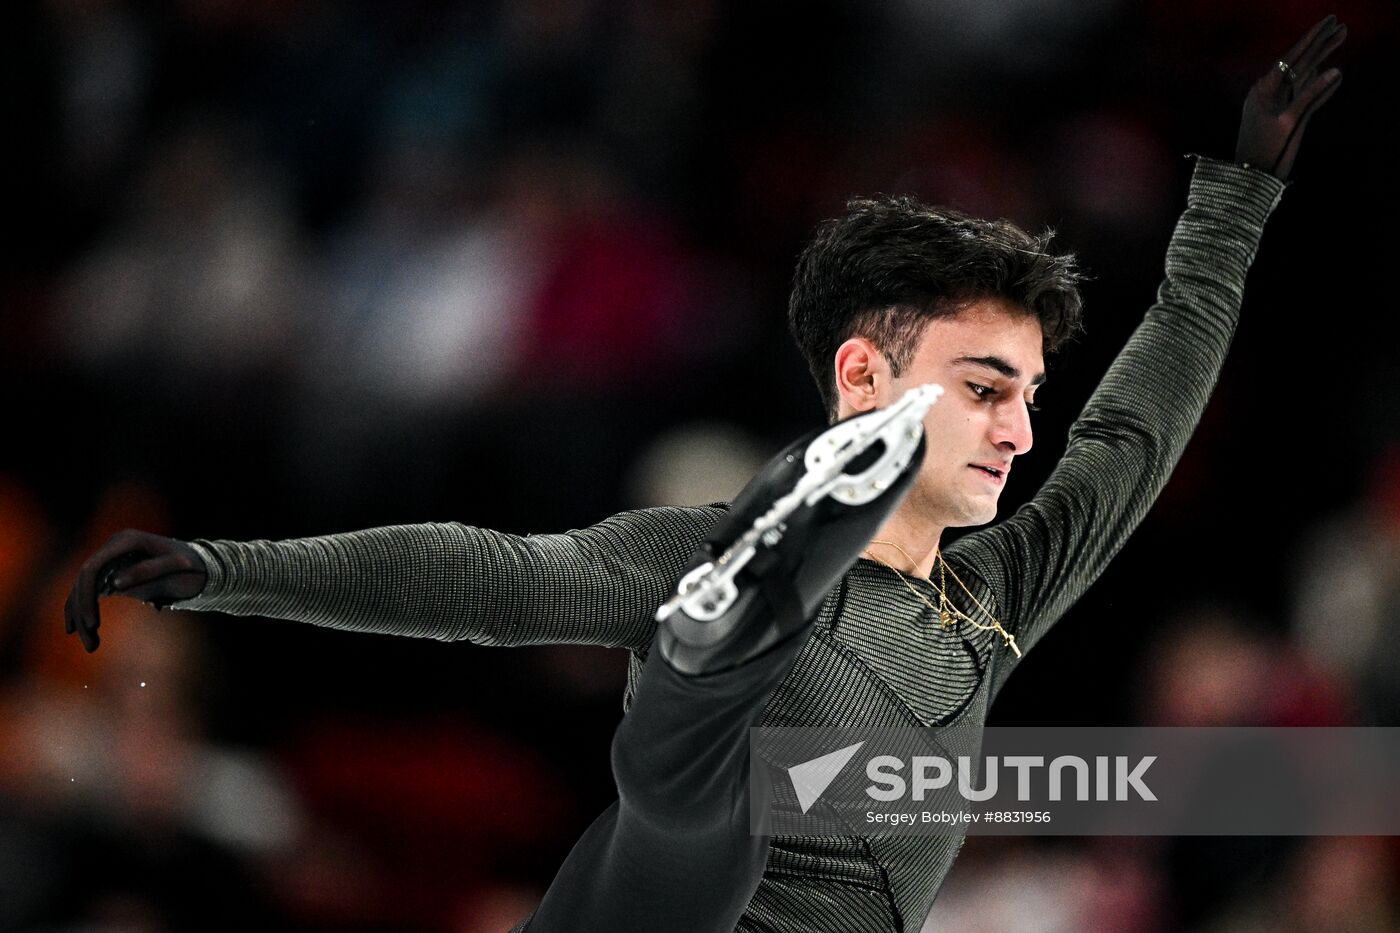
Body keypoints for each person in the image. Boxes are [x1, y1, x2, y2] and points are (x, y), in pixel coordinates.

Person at [64, 17, 1346, 933]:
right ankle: (725, 631)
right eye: (981, 389)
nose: (1019, 430)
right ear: (860, 379)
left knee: (722, 789)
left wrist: (1235, 199)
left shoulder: (1000, 591)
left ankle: (720, 647)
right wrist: (233, 571)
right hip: (667, 886)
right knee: (701, 810)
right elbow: (498, 579)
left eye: (1026, 395)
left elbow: (1136, 428)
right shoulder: (686, 543)